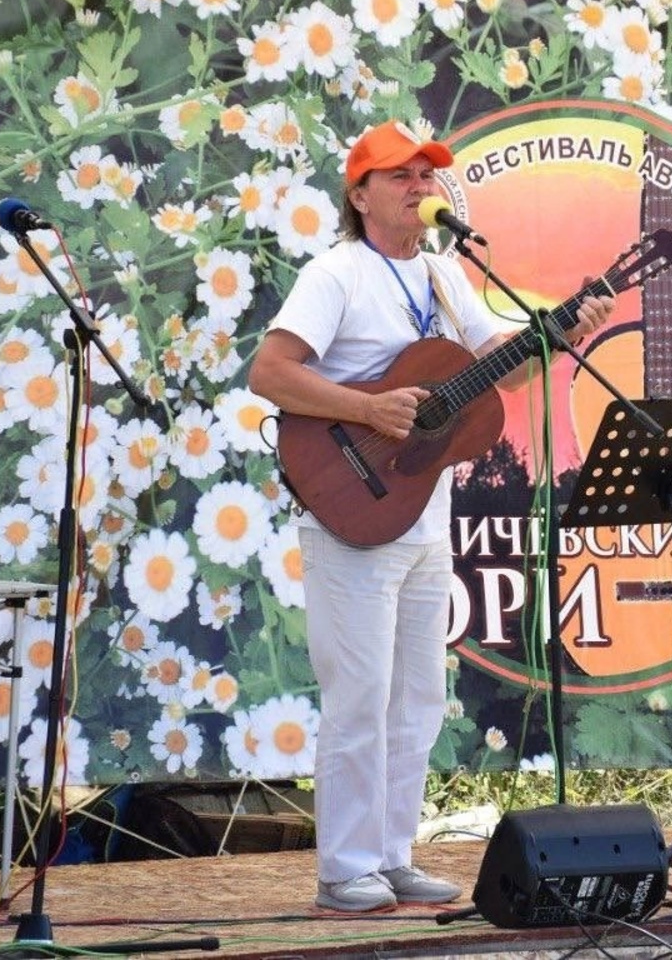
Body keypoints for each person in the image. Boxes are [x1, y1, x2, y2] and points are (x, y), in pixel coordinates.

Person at [249, 120, 615, 913]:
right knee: (359, 691)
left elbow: (499, 376)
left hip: (423, 513)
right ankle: (344, 869)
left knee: (416, 694)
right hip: (349, 508)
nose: (422, 188)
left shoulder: (449, 276)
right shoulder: (336, 272)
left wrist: (561, 332)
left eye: (429, 175)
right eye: (401, 176)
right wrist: (367, 408)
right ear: (360, 195)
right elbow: (269, 372)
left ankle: (391, 855)